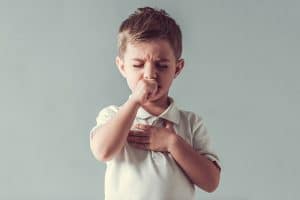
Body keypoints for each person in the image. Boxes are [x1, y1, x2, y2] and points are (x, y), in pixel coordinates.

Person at [89, 6, 221, 200]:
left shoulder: (191, 123)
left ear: (177, 68)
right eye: (138, 65)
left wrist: (172, 143)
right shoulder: (113, 116)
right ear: (122, 66)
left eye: (162, 65)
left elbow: (211, 182)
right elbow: (102, 151)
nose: (150, 74)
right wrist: (134, 101)